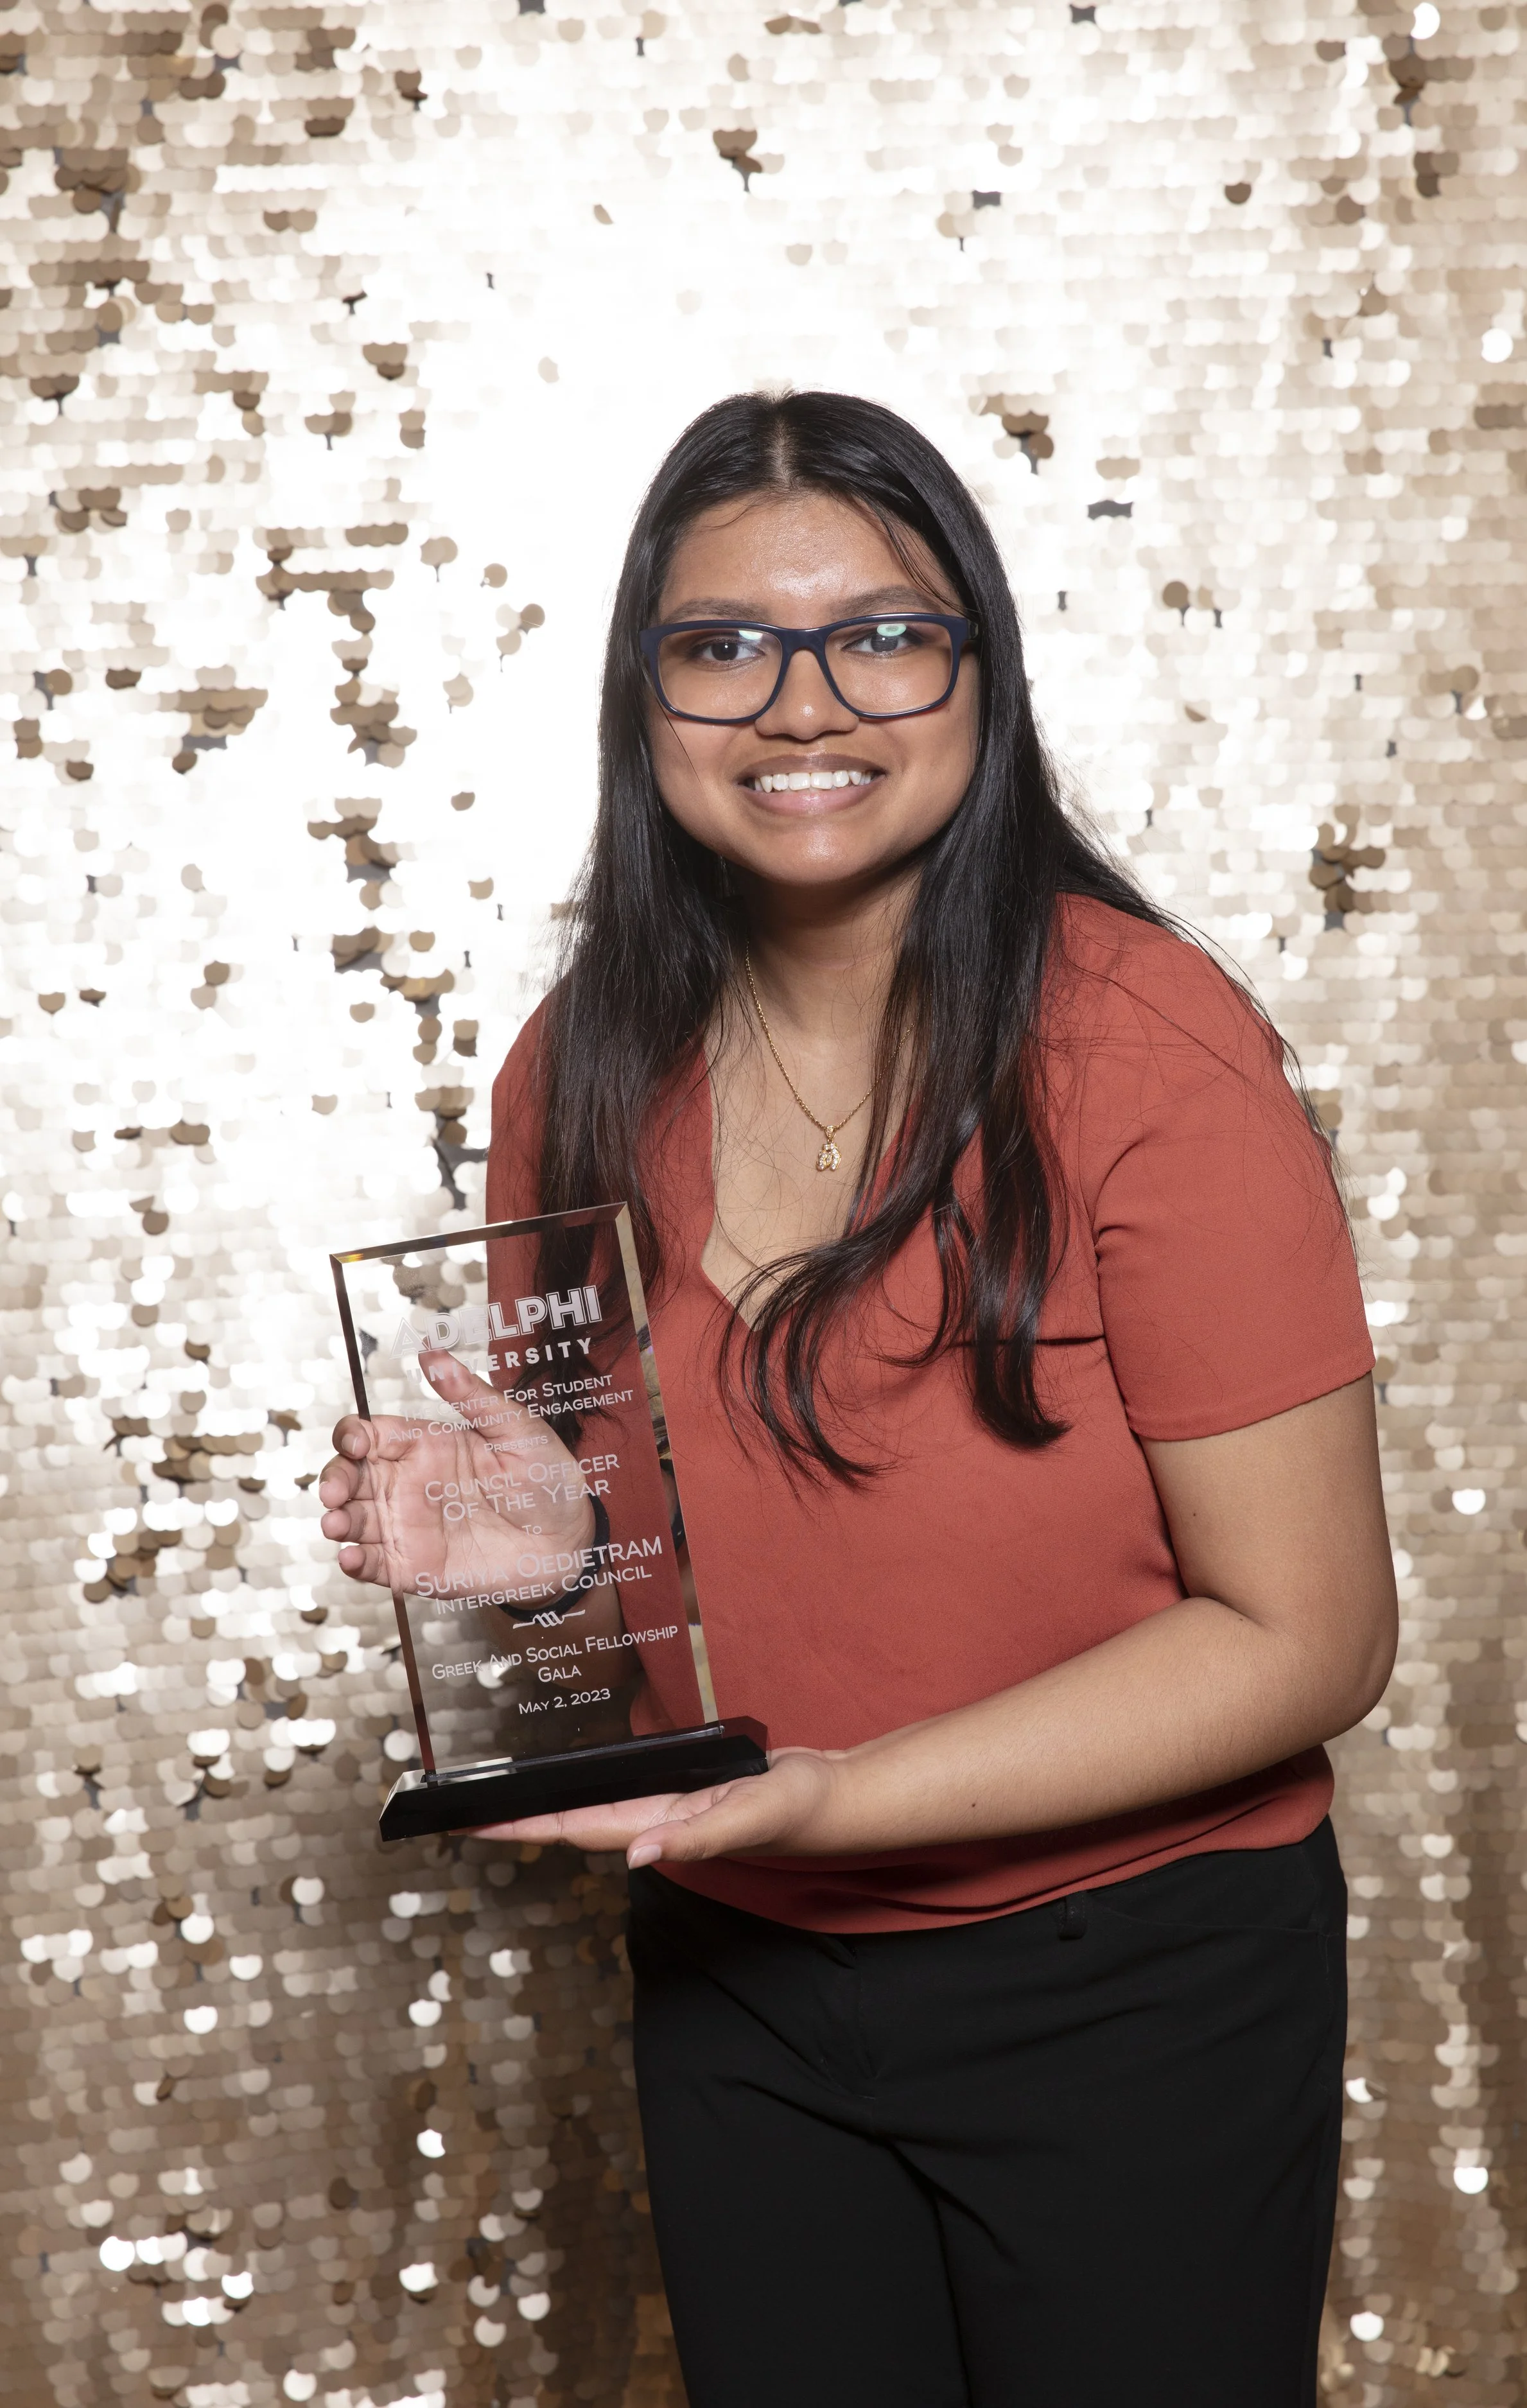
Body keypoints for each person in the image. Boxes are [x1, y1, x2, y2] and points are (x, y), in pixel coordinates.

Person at [321, 389, 1396, 2408]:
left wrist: (836, 1798)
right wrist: (563, 1559)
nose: (800, 703)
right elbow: (654, 1596)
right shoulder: (574, 1070)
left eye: (880, 634)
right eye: (721, 643)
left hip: (1132, 1981)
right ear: (643, 696)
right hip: (739, 1979)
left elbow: (1310, 1634)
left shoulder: (1144, 1048)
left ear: (976, 672)